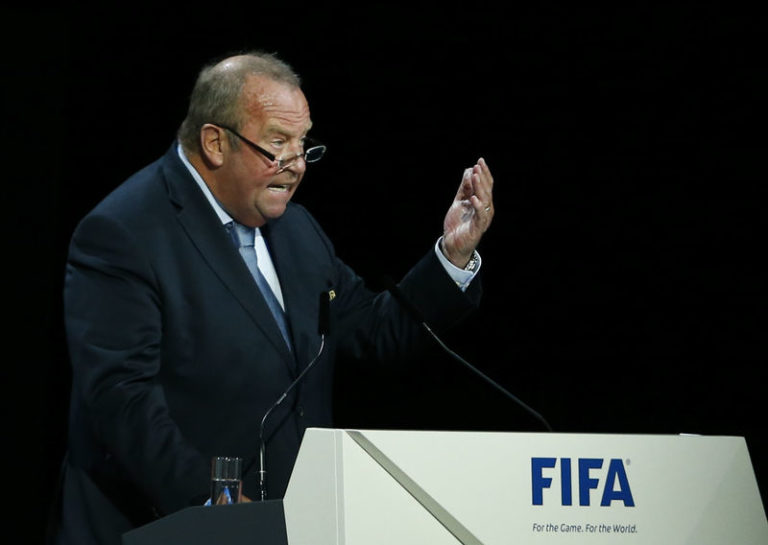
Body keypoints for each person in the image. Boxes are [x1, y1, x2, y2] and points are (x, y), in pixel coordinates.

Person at [52, 50, 495, 545]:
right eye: (278, 144)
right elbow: (122, 401)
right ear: (215, 143)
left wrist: (452, 256)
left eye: (303, 144)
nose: (297, 166)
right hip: (164, 526)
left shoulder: (296, 230)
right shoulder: (124, 232)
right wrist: (218, 506)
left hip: (287, 524)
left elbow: (372, 331)